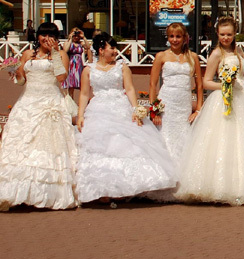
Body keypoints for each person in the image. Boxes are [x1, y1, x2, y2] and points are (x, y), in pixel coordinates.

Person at [75, 32, 177, 204]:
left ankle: (123, 188)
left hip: (120, 107)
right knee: (100, 148)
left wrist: (136, 109)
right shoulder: (88, 70)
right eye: (112, 48)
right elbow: (84, 94)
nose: (115, 52)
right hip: (98, 109)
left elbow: (129, 89)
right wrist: (80, 115)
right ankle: (102, 189)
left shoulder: (122, 67)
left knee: (123, 145)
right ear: (101, 50)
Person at [177, 17, 244, 206]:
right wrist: (224, 84)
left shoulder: (239, 51)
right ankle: (217, 185)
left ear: (235, 34)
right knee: (222, 141)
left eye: (229, 34)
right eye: (222, 34)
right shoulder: (217, 54)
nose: (226, 37)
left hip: (243, 99)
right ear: (217, 34)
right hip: (224, 99)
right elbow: (206, 81)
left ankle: (242, 185)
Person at [0, 22, 77, 211]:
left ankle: (45, 193)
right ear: (38, 36)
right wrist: (14, 72)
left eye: (50, 35)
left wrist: (55, 52)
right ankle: (16, 193)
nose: (46, 39)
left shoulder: (61, 55)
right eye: (43, 35)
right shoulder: (28, 54)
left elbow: (61, 78)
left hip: (50, 102)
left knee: (48, 147)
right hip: (27, 103)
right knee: (21, 146)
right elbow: (20, 81)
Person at [148, 22, 202, 174]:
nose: (175, 40)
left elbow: (199, 85)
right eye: (171, 36)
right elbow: (152, 85)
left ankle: (182, 176)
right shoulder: (161, 56)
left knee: (183, 138)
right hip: (167, 103)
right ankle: (165, 175)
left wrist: (198, 109)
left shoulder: (193, 57)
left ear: (185, 38)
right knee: (165, 137)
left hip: (184, 105)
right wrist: (154, 110)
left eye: (178, 36)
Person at [62, 27, 92, 98]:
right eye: (75, 35)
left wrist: (83, 37)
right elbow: (65, 50)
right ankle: (70, 102)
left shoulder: (80, 43)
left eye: (77, 35)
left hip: (79, 64)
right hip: (71, 64)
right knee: (71, 86)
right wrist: (70, 39)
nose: (76, 37)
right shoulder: (67, 43)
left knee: (81, 84)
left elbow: (88, 47)